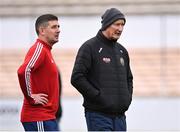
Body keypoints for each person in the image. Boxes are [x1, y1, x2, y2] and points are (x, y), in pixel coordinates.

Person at [71, 8, 133, 131]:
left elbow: (129, 79)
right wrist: (99, 97)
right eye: (117, 24)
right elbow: (77, 78)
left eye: (122, 25)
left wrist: (127, 98)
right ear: (106, 24)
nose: (120, 29)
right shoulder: (89, 47)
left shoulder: (122, 51)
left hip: (120, 117)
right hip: (98, 116)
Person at [17, 14, 60, 131]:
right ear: (42, 31)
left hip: (46, 117)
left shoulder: (46, 50)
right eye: (54, 27)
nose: (58, 30)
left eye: (58, 27)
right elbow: (23, 71)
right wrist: (31, 96)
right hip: (38, 117)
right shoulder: (39, 48)